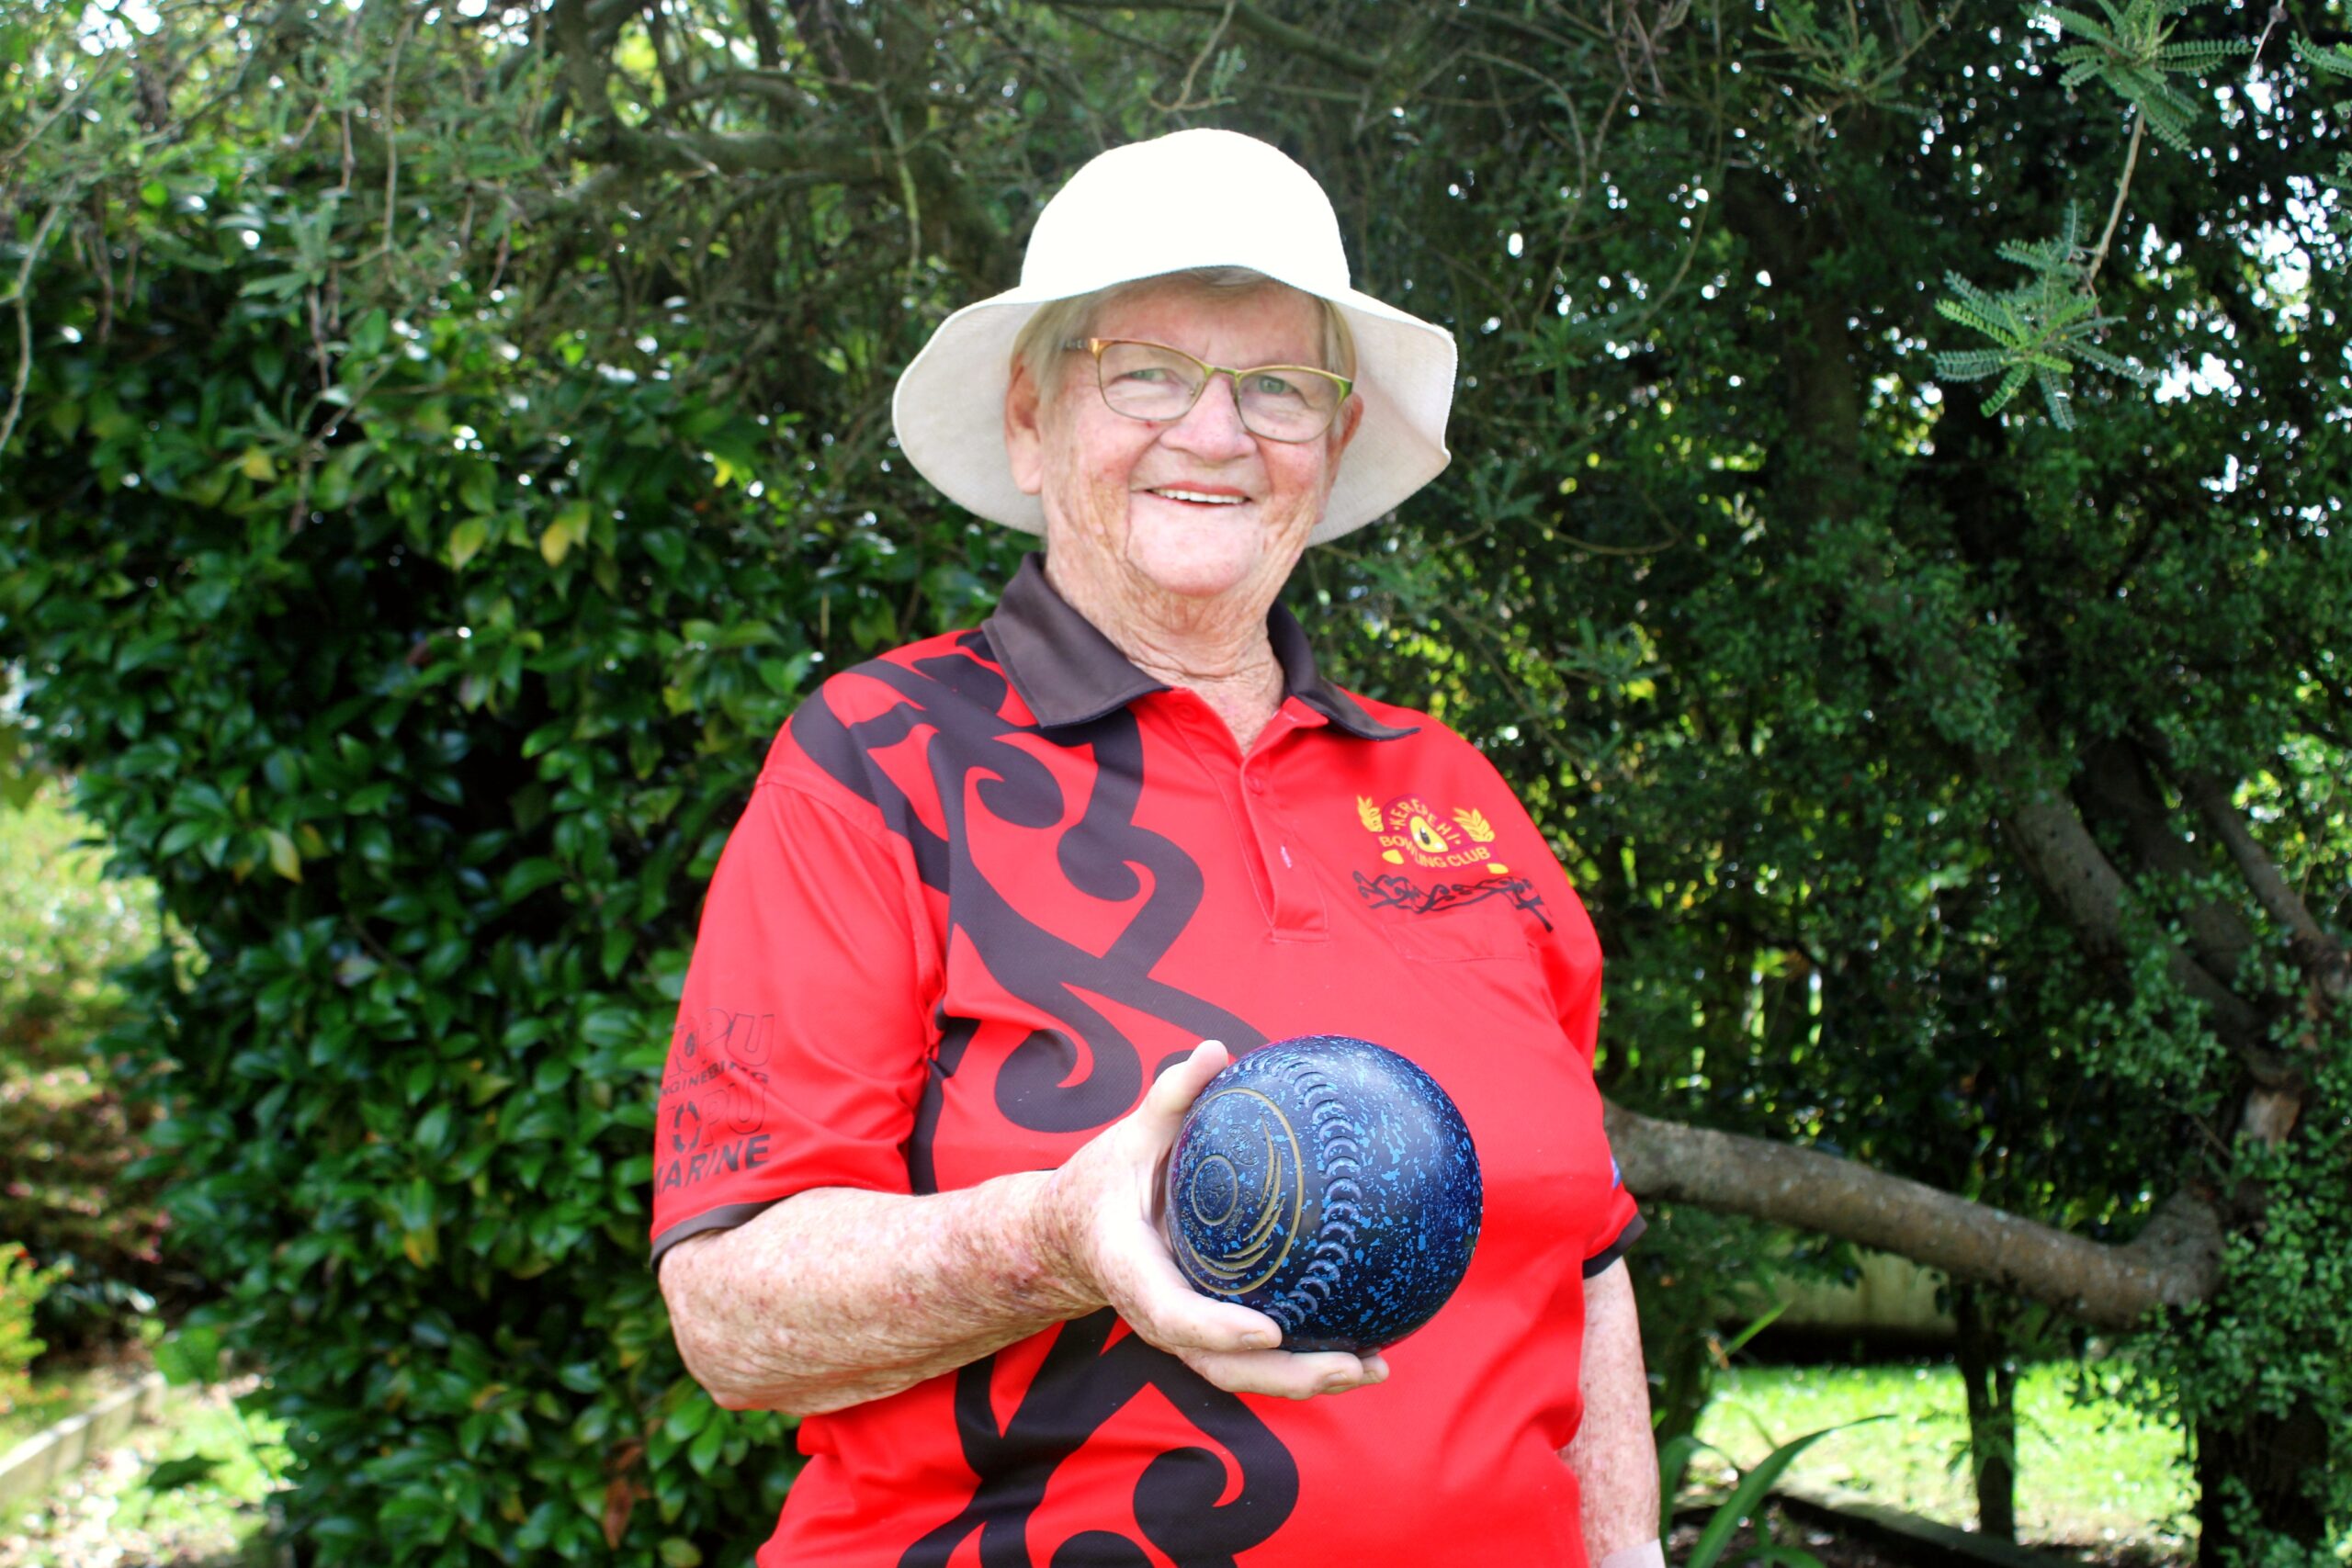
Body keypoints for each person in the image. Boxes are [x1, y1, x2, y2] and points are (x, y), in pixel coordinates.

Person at [650, 129, 1661, 1568]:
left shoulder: (1452, 792)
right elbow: (734, 1314)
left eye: (1277, 387)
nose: (1215, 431)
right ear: (1029, 417)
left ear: (1330, 441)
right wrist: (1053, 1237)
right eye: (1146, 372)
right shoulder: (880, 761)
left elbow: (1585, 1259)